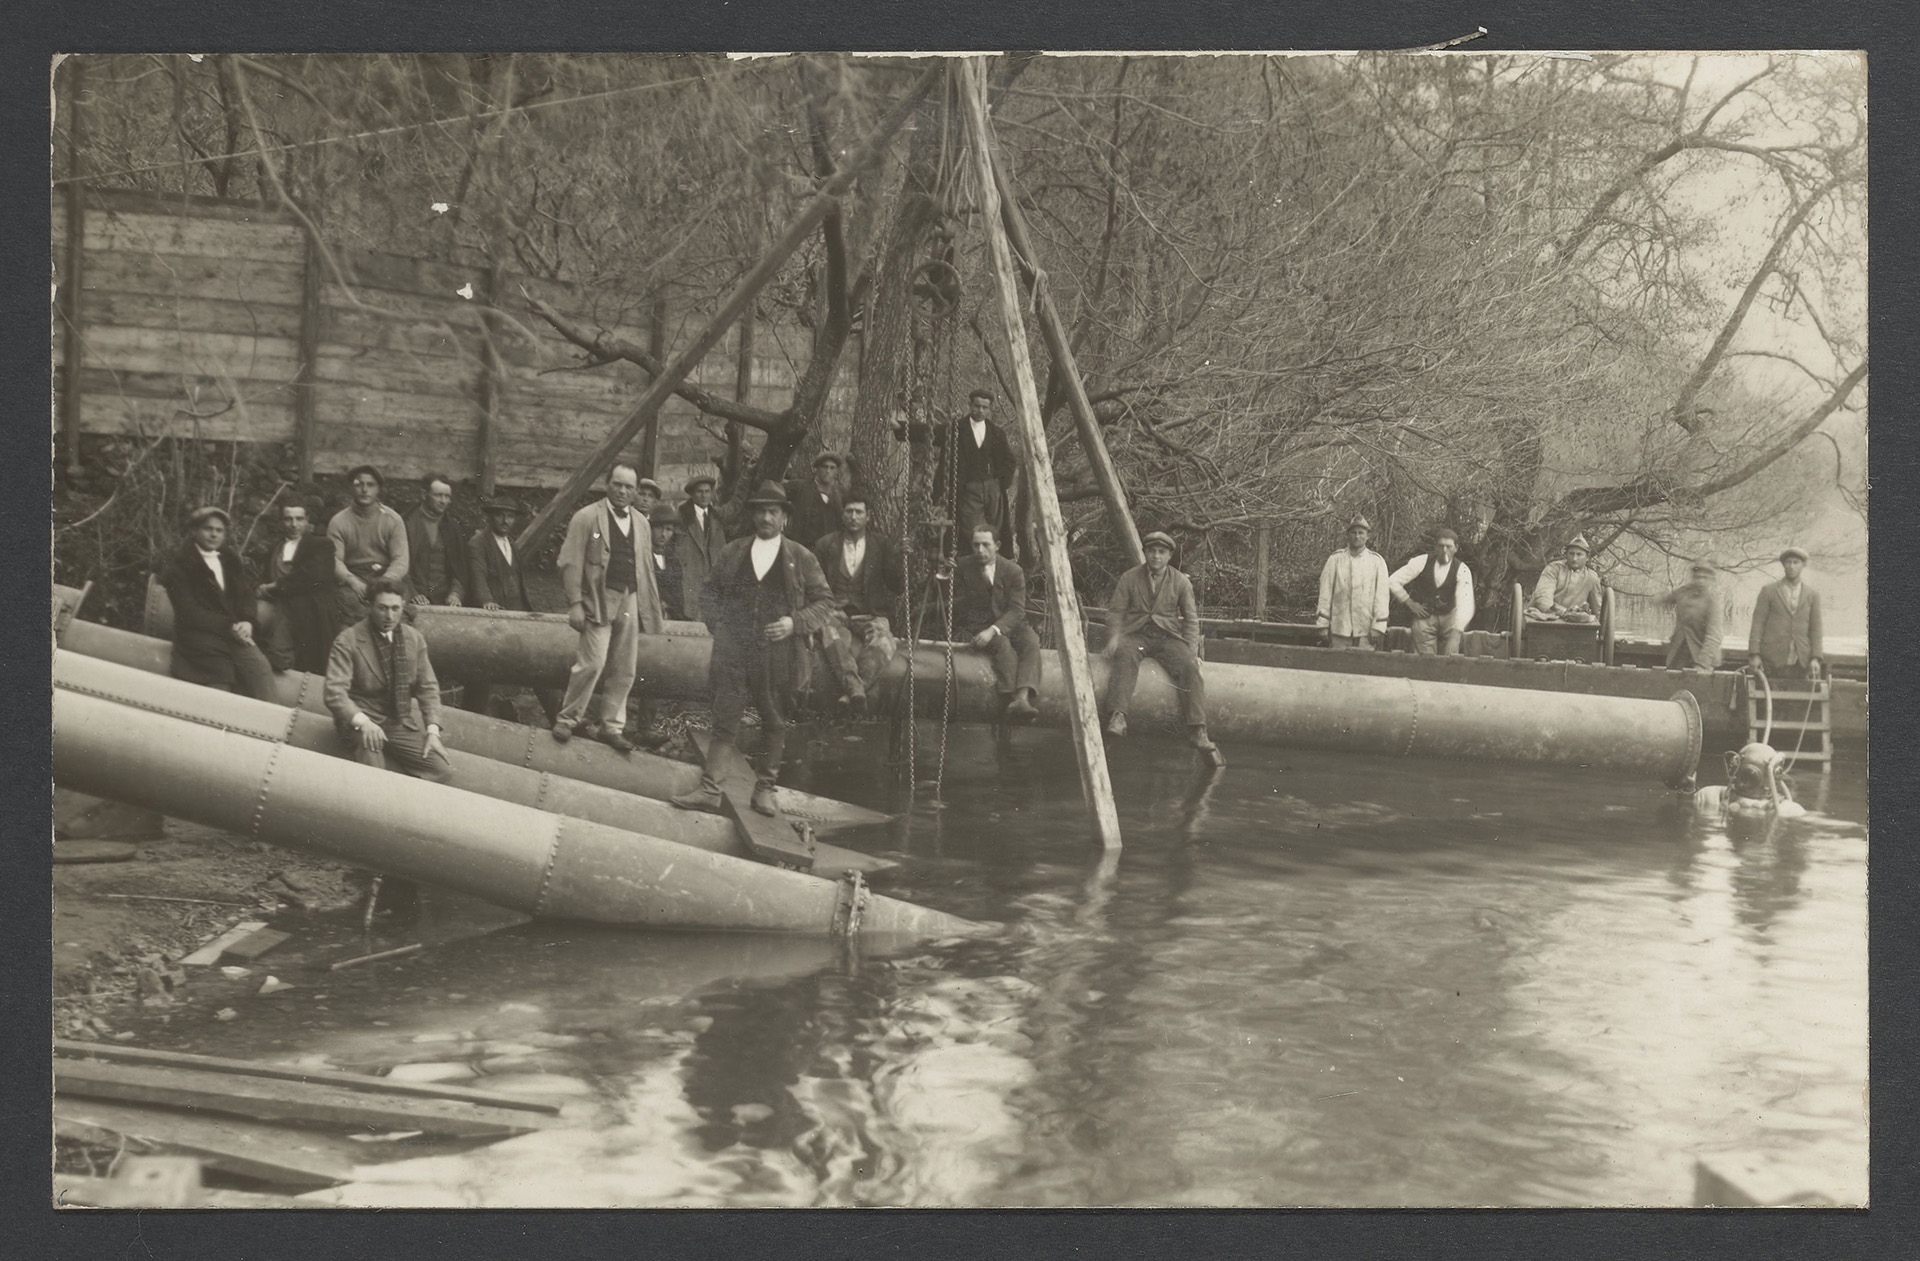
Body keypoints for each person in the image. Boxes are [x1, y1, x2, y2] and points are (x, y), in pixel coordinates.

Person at [672, 483, 836, 815]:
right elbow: (709, 592)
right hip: (733, 650)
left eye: (773, 511)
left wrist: (793, 622)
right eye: (760, 511)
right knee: (725, 717)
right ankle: (710, 789)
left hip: (776, 654)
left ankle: (764, 789)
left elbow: (825, 603)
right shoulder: (733, 552)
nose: (766, 517)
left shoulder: (800, 557)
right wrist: (720, 626)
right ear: (753, 516)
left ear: (784, 517)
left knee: (773, 719)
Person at [552, 462, 665, 752]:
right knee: (592, 662)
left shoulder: (641, 523)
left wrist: (649, 606)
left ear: (636, 491)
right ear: (607, 484)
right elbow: (569, 562)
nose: (623, 491)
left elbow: (645, 568)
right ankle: (568, 718)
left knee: (624, 667)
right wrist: (575, 603)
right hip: (598, 599)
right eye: (618, 484)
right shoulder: (586, 517)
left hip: (630, 598)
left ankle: (611, 727)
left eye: (629, 487)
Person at [1100, 531, 1217, 756]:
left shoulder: (1180, 581)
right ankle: (1118, 716)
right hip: (1136, 634)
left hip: (1167, 637)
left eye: (1161, 552)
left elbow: (1191, 619)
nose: (1156, 556)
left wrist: (1192, 651)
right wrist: (1114, 637)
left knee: (1189, 666)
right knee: (1124, 656)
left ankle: (1198, 730)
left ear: (1169, 555)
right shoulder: (1129, 577)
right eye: (1151, 551)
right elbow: (1116, 612)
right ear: (1144, 552)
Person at [323, 579, 452, 783]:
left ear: (403, 606)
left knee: (441, 770)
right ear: (370, 606)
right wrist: (364, 723)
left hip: (397, 720)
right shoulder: (348, 640)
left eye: (395, 608)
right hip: (361, 720)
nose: (389, 616)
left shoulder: (413, 638)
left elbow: (427, 687)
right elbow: (334, 693)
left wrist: (433, 731)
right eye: (382, 608)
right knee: (374, 772)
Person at [160, 505, 275, 700]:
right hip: (199, 638)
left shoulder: (230, 560)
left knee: (260, 667)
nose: (214, 535)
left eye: (219, 530)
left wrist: (247, 620)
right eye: (208, 529)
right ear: (195, 531)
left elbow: (246, 594)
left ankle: (272, 716)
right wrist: (229, 626)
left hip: (233, 634)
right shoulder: (180, 566)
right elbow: (189, 613)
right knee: (220, 678)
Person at [465, 496, 561, 723]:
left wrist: (528, 611)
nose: (505, 520)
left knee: (538, 664)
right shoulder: (478, 544)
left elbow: (518, 581)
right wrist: (486, 601)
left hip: (517, 617)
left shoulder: (512, 544)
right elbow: (478, 577)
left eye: (510, 516)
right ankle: (469, 720)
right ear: (490, 517)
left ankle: (560, 719)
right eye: (500, 515)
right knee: (483, 672)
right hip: (492, 618)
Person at [891, 387, 1019, 552]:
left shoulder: (997, 433)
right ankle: (974, 560)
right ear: (969, 405)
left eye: (984, 407)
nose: (980, 410)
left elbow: (1010, 460)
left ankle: (994, 563)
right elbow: (930, 432)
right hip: (968, 490)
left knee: (995, 530)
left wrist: (1001, 483)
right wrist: (900, 427)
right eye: (977, 406)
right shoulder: (956, 429)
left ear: (990, 409)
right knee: (972, 531)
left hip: (992, 491)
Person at [812, 488, 903, 715]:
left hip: (870, 614)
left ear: (868, 516)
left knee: (885, 642)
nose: (854, 517)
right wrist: (827, 608)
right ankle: (855, 687)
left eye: (859, 512)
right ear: (842, 514)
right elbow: (814, 586)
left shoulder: (881, 545)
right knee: (832, 636)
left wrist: (900, 560)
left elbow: (897, 586)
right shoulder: (825, 545)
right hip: (835, 612)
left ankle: (854, 690)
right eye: (849, 511)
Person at [952, 524, 1042, 721]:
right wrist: (945, 573)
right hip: (979, 624)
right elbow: (955, 599)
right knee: (1002, 645)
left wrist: (993, 630)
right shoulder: (963, 566)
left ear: (998, 546)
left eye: (986, 545)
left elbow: (1016, 610)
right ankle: (1011, 698)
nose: (980, 550)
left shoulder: (1013, 571)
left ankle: (1023, 698)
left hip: (1012, 622)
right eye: (976, 545)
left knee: (1031, 642)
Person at [255, 496, 338, 675]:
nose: (294, 524)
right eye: (288, 519)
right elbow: (263, 580)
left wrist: (276, 586)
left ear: (307, 520)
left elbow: (314, 576)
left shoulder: (321, 545)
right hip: (277, 606)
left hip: (310, 608)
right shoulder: (274, 550)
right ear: (281, 522)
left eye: (299, 519)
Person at [327, 465, 409, 623]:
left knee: (392, 605)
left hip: (386, 577)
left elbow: (401, 560)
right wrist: (352, 581)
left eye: (370, 485)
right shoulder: (339, 521)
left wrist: (384, 582)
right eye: (359, 484)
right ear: (351, 488)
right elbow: (335, 559)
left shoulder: (392, 519)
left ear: (378, 489)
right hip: (355, 578)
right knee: (345, 601)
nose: (364, 490)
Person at [1389, 528, 1476, 656]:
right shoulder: (1422, 561)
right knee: (1424, 659)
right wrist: (1410, 603)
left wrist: (1456, 635)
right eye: (1441, 546)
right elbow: (1393, 581)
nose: (1444, 550)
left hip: (1450, 618)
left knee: (1451, 658)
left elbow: (1465, 603)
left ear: (1456, 548)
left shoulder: (1462, 570)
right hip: (1425, 617)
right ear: (1435, 547)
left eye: (1449, 547)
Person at [1748, 546, 1824, 679]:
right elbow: (1757, 624)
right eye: (1788, 562)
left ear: (1803, 565)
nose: (1792, 566)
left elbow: (1816, 629)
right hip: (1772, 659)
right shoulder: (1768, 591)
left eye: (1796, 562)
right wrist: (1754, 654)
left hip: (1801, 660)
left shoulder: (1812, 595)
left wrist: (1815, 658)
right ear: (1783, 565)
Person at [1315, 514, 1390, 648]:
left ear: (1367, 536)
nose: (1357, 536)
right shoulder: (1335, 559)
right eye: (1353, 532)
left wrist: (1378, 626)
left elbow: (1382, 597)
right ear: (1348, 535)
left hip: (1366, 630)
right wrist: (1323, 623)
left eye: (1361, 533)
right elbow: (1325, 593)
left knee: (1365, 661)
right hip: (1340, 628)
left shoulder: (1376, 561)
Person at [403, 472, 469, 608]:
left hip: (443, 602)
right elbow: (398, 565)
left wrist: (455, 593)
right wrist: (412, 593)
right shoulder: (406, 523)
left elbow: (461, 569)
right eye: (438, 495)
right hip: (411, 599)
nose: (443, 501)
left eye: (447, 496)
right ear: (424, 495)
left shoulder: (454, 528)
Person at [675, 472, 726, 621]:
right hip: (690, 580)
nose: (704, 496)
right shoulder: (681, 516)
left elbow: (736, 505)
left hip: (712, 580)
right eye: (699, 492)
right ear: (692, 494)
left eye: (707, 491)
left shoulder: (716, 516)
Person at [1659, 558, 1724, 672]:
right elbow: (1665, 598)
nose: (1701, 581)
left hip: (1703, 656)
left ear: (1711, 580)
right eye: (1697, 577)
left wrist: (1702, 664)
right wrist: (1657, 598)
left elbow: (1714, 636)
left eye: (1705, 578)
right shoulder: (1683, 592)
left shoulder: (1713, 601)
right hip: (1680, 651)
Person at [1529, 533, 1604, 622]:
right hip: (1545, 617)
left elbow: (1597, 608)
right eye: (1571, 554)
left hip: (1574, 622)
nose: (1574, 558)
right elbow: (1543, 596)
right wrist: (1563, 612)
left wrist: (1595, 623)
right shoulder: (1553, 569)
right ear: (1566, 555)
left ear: (1587, 557)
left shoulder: (1592, 578)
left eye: (1579, 554)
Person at [785, 450, 845, 550]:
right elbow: (775, 490)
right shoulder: (800, 487)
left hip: (831, 550)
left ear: (836, 471)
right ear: (816, 469)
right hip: (804, 549)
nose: (828, 471)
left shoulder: (841, 493)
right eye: (824, 467)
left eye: (832, 468)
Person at [650, 505, 687, 621]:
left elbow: (678, 598)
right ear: (650, 528)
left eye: (668, 529)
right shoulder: (643, 556)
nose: (663, 534)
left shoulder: (673, 561)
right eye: (659, 528)